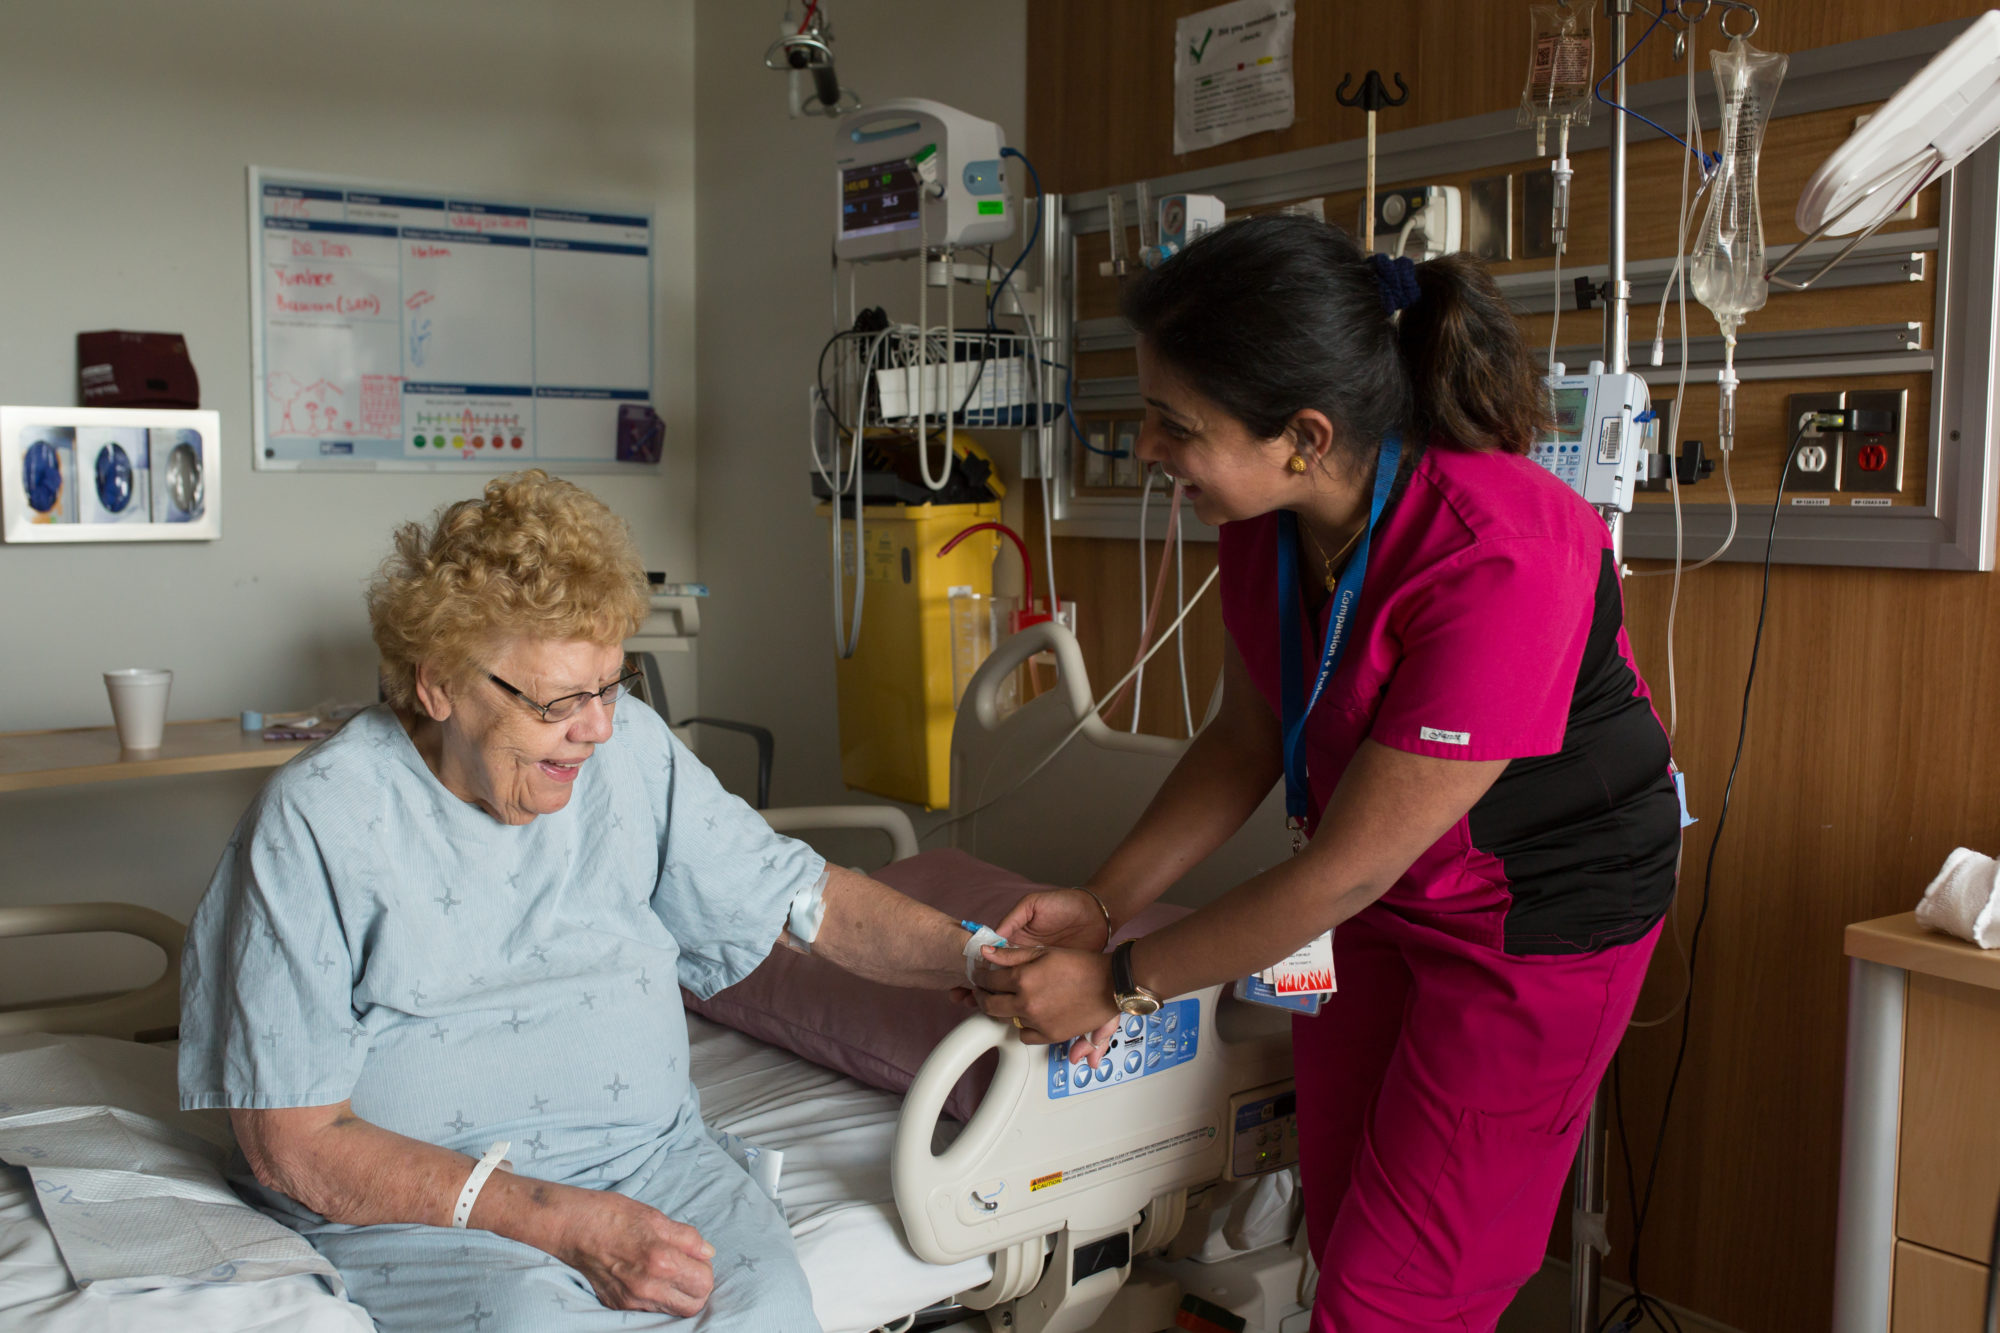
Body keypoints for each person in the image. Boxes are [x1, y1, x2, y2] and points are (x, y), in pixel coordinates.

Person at [971, 215, 1679, 1332]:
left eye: (1173, 423)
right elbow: (1241, 744)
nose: (1147, 448)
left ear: (1301, 434)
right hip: (1378, 893)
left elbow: (1344, 868)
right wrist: (1101, 906)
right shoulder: (1261, 515)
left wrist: (1120, 978)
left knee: (1399, 1295)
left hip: (1536, 919)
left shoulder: (1501, 550)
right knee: (1342, 1231)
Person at [179, 471, 981, 1333]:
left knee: (771, 1309)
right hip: (434, 1209)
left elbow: (801, 897)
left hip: (648, 1163)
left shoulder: (629, 750)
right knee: (537, 1320)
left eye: (612, 684)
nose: (597, 727)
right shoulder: (322, 819)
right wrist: (556, 1221)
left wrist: (982, 958)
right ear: (440, 683)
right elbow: (291, 1142)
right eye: (559, 698)